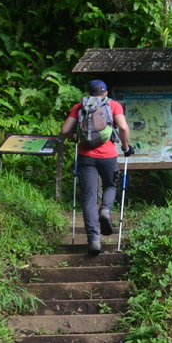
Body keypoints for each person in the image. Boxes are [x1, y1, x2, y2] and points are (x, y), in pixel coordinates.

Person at [61, 79, 134, 256]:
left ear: (89, 93)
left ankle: (94, 240)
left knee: (89, 197)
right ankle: (106, 210)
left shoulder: (79, 107)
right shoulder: (114, 105)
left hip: (86, 157)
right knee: (110, 185)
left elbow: (65, 131)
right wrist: (126, 147)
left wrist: (75, 138)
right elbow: (123, 128)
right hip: (108, 156)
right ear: (106, 93)